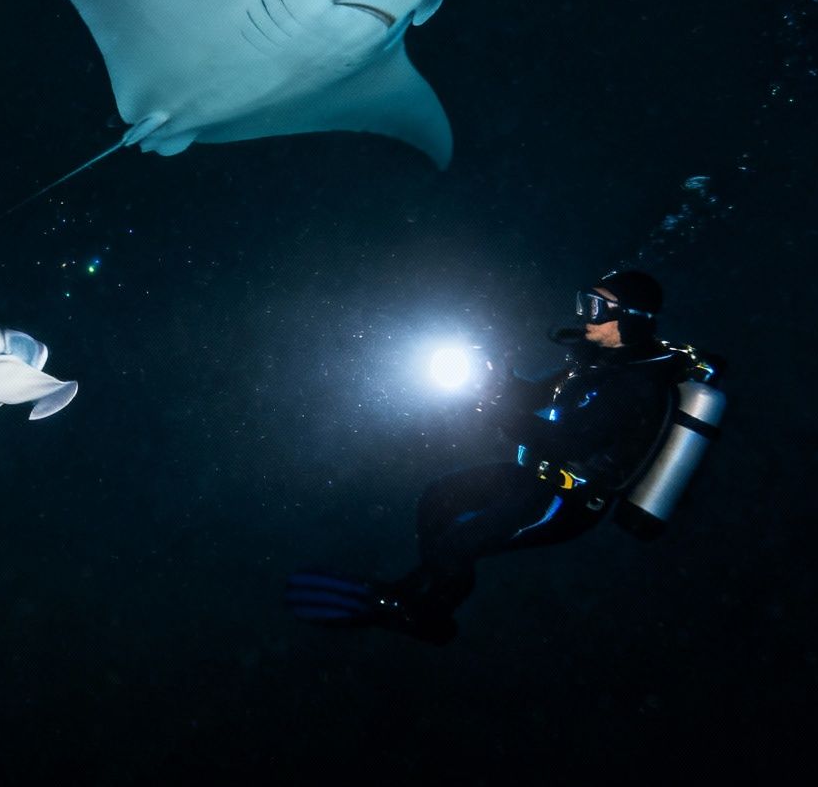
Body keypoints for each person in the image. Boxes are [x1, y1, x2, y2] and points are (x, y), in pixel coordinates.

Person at [285, 270, 686, 645]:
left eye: (596, 309)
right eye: (583, 303)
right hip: (534, 477)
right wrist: (498, 381)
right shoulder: (596, 360)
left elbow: (566, 442)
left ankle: (427, 615)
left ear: (631, 319)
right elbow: (536, 397)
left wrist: (497, 411)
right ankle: (428, 590)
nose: (583, 317)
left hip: (567, 501)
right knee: (438, 499)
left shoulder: (638, 385)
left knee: (460, 544)